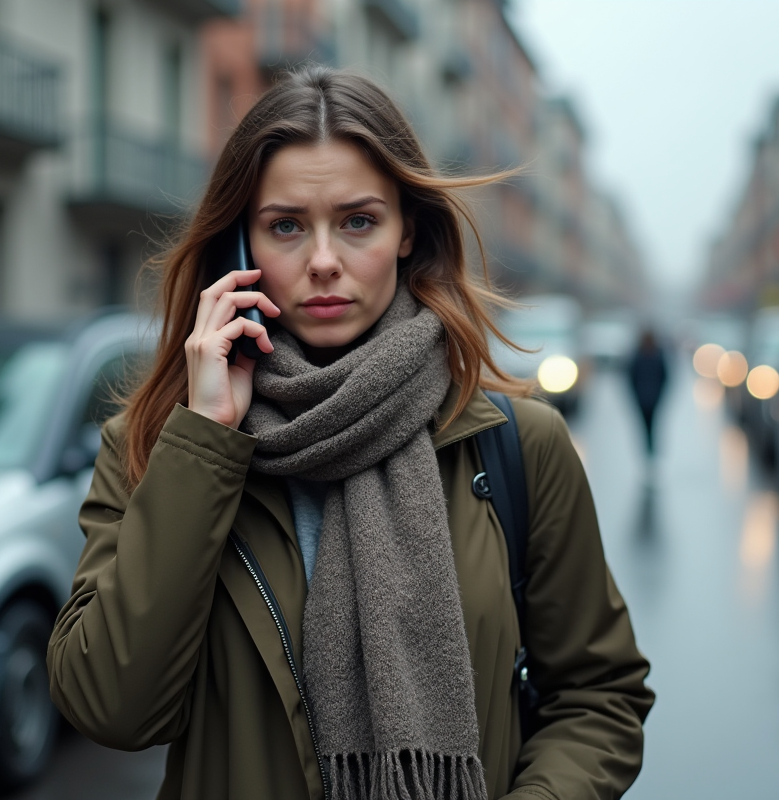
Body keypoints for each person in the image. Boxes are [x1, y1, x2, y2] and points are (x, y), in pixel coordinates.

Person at [47, 66, 653, 800]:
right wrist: (206, 440)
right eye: (286, 226)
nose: (325, 260)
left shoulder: (517, 444)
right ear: (240, 250)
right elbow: (112, 707)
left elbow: (600, 697)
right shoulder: (159, 448)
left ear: (407, 233)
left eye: (358, 221)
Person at [627, 328, 668, 456]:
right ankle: (648, 449)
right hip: (644, 398)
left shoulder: (654, 355)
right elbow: (631, 377)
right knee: (646, 425)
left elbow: (664, 377)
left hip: (651, 398)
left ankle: (650, 449)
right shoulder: (640, 355)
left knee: (651, 424)